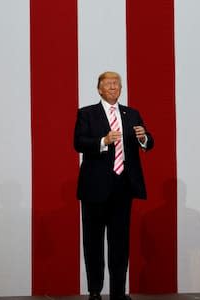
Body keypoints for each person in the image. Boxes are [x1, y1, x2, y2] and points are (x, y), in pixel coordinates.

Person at [74, 71, 154, 300]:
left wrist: (143, 138)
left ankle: (118, 292)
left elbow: (148, 142)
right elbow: (78, 142)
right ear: (99, 89)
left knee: (120, 242)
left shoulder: (132, 114)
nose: (113, 87)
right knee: (93, 241)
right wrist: (103, 141)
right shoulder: (87, 113)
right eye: (108, 84)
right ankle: (95, 291)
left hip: (123, 187)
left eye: (117, 84)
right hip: (94, 188)